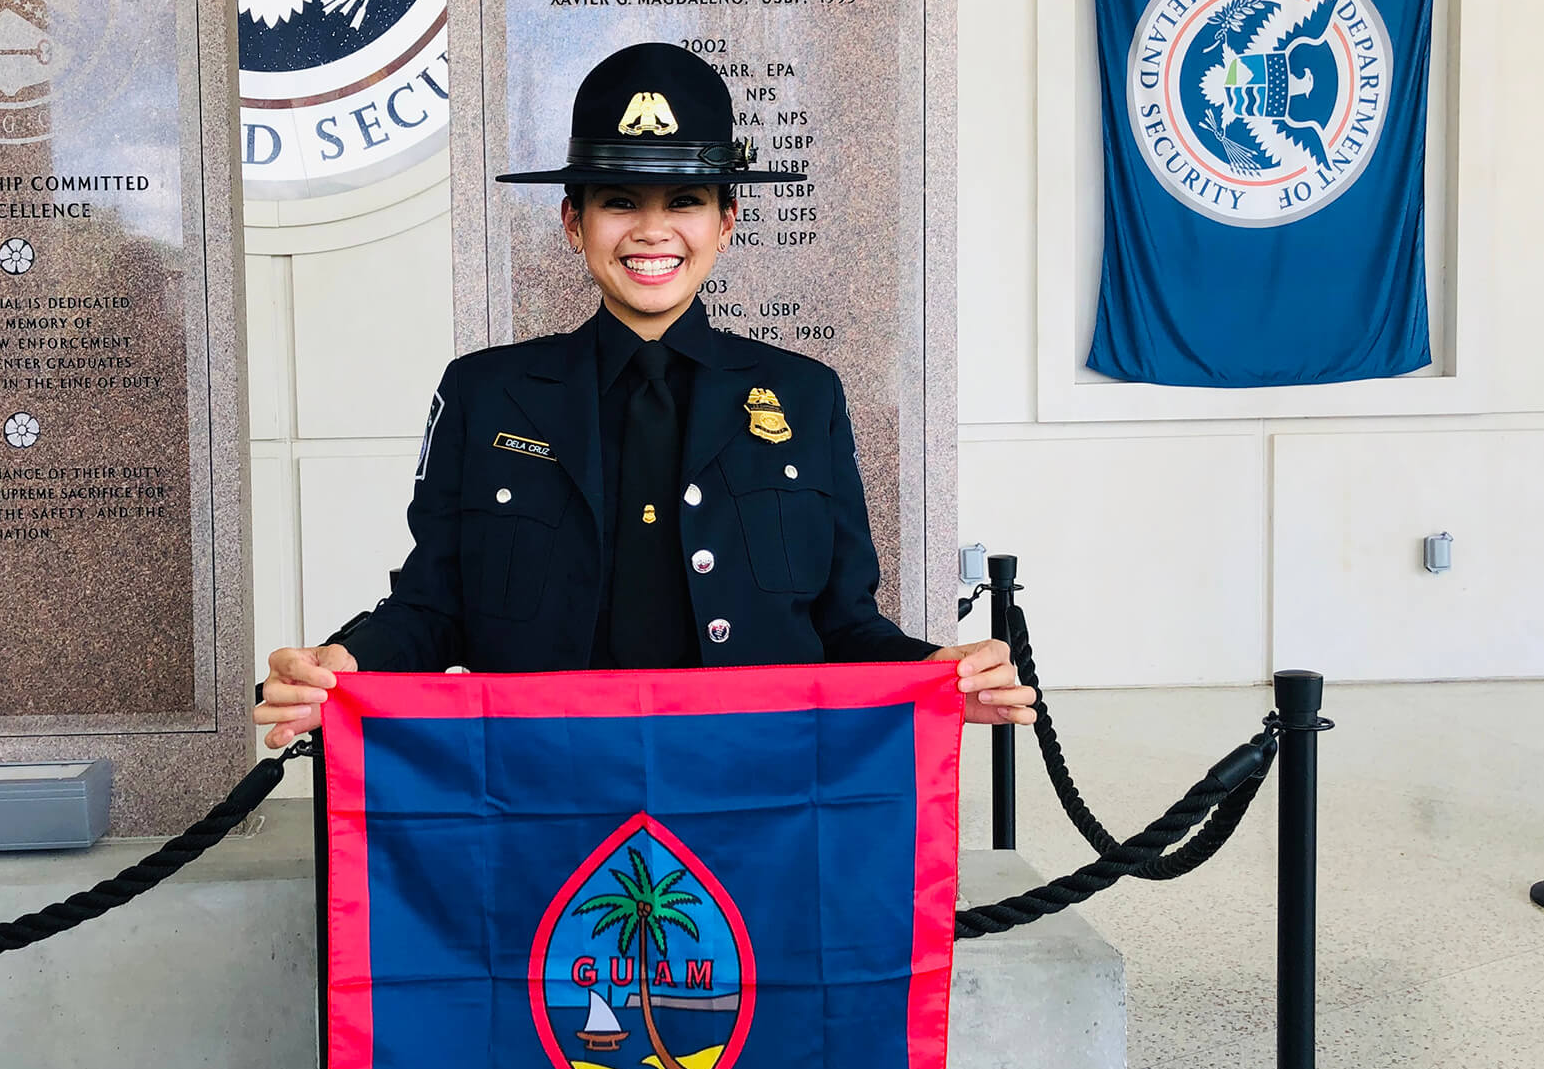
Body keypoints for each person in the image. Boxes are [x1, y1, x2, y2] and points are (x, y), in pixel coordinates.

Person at [256, 41, 1035, 746]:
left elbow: (844, 626)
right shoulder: (485, 395)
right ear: (574, 221)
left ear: (727, 222)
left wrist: (939, 669)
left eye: (686, 202)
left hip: (746, 792)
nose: (652, 231)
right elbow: (436, 608)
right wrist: (342, 666)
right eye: (620, 201)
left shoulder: (805, 398)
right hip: (547, 788)